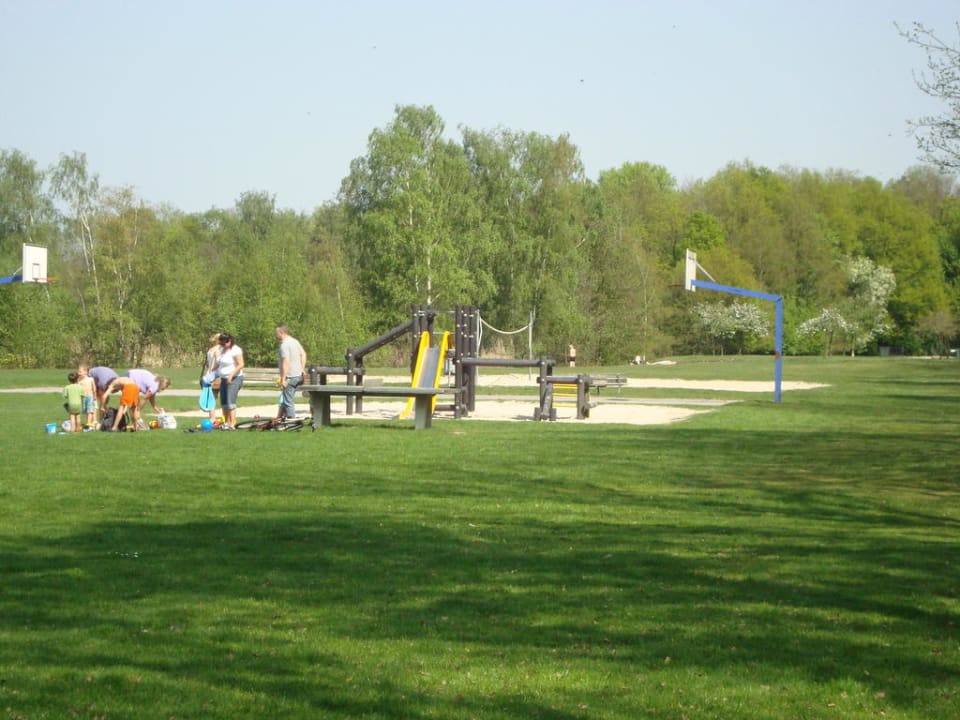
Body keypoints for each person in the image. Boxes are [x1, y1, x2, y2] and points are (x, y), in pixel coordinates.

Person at [106, 369, 171, 431]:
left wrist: (157, 409)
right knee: (128, 405)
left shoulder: (155, 382)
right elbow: (145, 398)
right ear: (163, 384)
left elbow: (151, 398)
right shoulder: (155, 386)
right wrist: (138, 410)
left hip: (129, 376)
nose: (162, 390)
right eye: (163, 388)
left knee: (130, 405)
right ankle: (117, 425)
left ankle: (134, 425)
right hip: (129, 378)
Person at [274, 324, 307, 421]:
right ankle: (280, 419)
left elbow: (286, 362)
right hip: (299, 375)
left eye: (276, 333)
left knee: (288, 400)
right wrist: (302, 369)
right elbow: (303, 354)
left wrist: (283, 379)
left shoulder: (284, 345)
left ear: (281, 333)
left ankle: (292, 421)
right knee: (285, 398)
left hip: (291, 377)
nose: (276, 335)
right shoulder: (294, 341)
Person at [215, 333, 244, 429]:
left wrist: (231, 375)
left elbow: (240, 364)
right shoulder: (221, 349)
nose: (221, 345)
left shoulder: (235, 350)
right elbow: (218, 364)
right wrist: (211, 374)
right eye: (221, 343)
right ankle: (226, 423)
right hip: (223, 379)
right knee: (224, 402)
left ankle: (232, 424)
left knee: (230, 402)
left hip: (234, 379)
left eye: (223, 343)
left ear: (229, 341)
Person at [200, 333, 222, 423]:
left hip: (208, 375)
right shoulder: (219, 349)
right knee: (221, 396)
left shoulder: (210, 349)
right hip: (216, 375)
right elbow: (218, 363)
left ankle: (212, 417)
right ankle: (215, 418)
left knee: (211, 397)